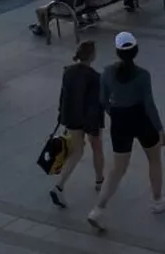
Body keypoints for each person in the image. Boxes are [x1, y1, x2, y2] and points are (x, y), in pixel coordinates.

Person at [86, 33, 165, 230]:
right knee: (154, 159)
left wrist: (114, 113)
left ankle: (98, 209)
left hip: (120, 121)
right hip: (141, 119)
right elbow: (149, 104)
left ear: (117, 52)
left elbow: (103, 100)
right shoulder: (143, 75)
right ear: (136, 51)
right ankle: (157, 199)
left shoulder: (107, 73)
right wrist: (160, 130)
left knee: (117, 169)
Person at [48, 40, 106, 207]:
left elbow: (63, 96)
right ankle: (99, 180)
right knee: (97, 148)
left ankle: (60, 185)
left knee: (77, 151)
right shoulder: (95, 77)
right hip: (90, 119)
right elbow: (98, 102)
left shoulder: (68, 72)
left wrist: (62, 115)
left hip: (72, 117)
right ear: (92, 56)